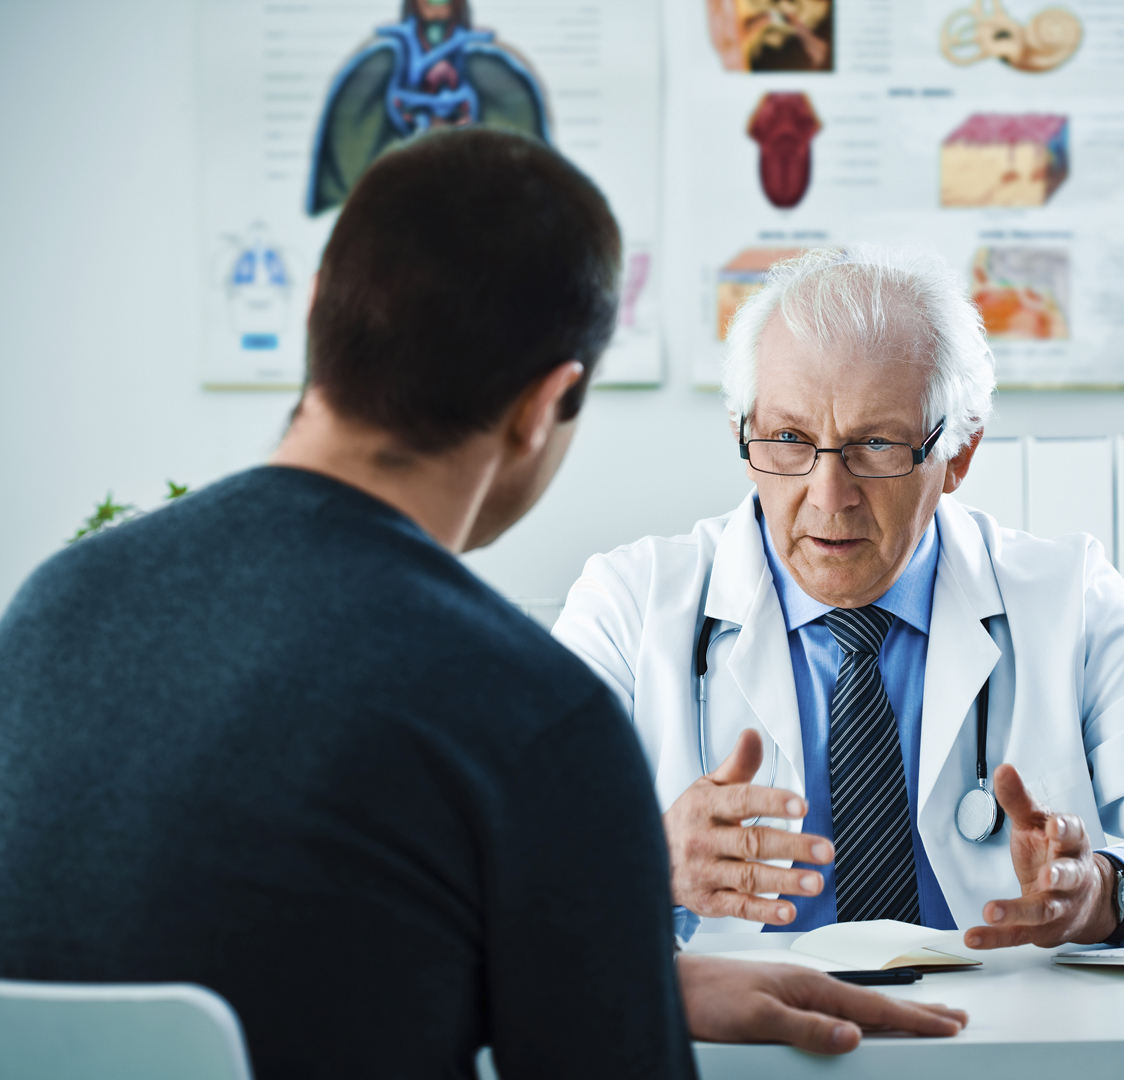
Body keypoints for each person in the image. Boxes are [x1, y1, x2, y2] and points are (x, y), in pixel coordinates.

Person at [0, 134, 966, 1079]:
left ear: (315, 320)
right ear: (543, 408)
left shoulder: (54, 607)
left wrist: (625, 982)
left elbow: (254, 955)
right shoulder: (527, 713)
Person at [553, 245, 1124, 947]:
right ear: (741, 437)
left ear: (958, 453)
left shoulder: (1068, 600)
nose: (830, 496)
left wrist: (1105, 893)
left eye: (877, 445)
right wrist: (652, 866)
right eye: (788, 441)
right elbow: (500, 871)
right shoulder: (630, 606)